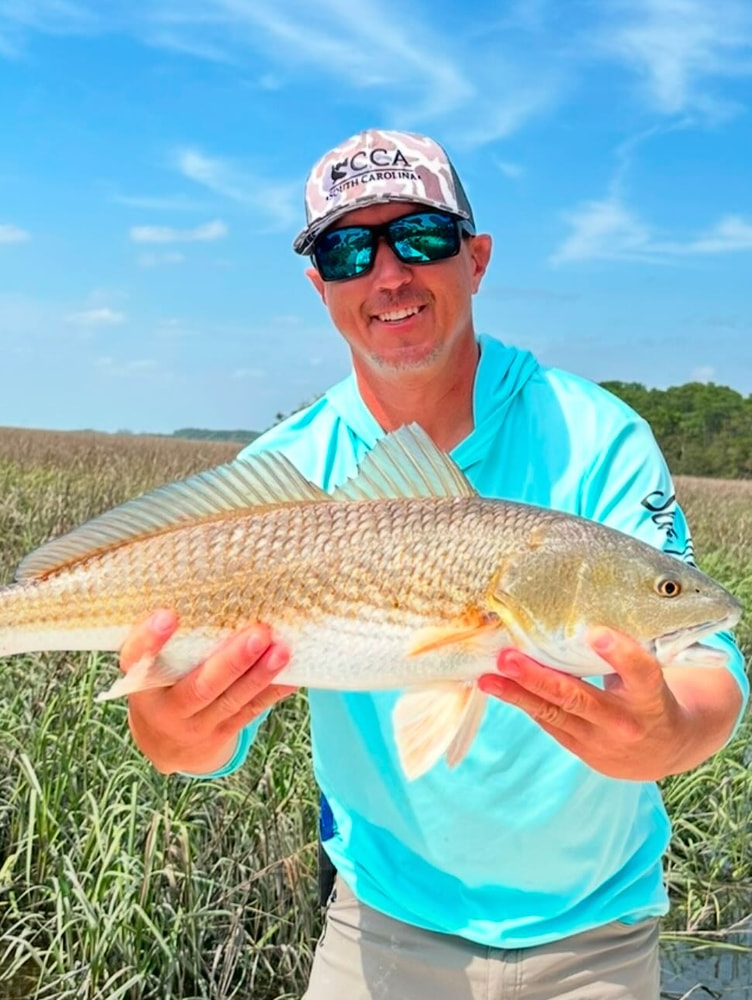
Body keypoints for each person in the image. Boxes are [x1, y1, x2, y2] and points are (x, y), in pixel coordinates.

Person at [116, 129, 749, 999]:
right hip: (379, 929)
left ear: (476, 257)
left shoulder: (598, 436)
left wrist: (675, 734)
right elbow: (187, 744)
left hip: (596, 937)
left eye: (419, 237)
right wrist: (172, 731)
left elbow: (710, 664)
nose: (388, 274)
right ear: (321, 287)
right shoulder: (286, 473)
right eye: (347, 248)